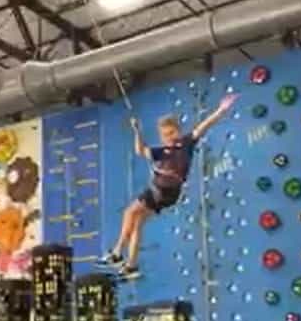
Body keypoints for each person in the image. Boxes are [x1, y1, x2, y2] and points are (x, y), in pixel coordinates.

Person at [99, 93, 239, 280]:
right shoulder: (161, 151)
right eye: (166, 135)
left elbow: (204, 126)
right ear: (162, 137)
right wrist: (138, 132)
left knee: (129, 213)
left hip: (163, 192)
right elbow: (140, 150)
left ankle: (117, 253)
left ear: (178, 131)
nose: (170, 137)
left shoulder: (186, 144)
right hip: (161, 193)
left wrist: (221, 110)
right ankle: (131, 264)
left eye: (173, 132)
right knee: (137, 222)